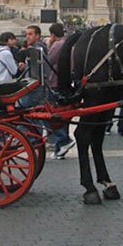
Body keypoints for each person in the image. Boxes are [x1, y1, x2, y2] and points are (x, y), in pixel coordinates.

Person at [47, 23, 75, 159]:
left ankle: (64, 140)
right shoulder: (68, 44)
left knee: (53, 115)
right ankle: (60, 148)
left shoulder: (57, 45)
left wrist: (49, 46)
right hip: (65, 81)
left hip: (54, 82)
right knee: (63, 114)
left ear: (52, 34)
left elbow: (48, 61)